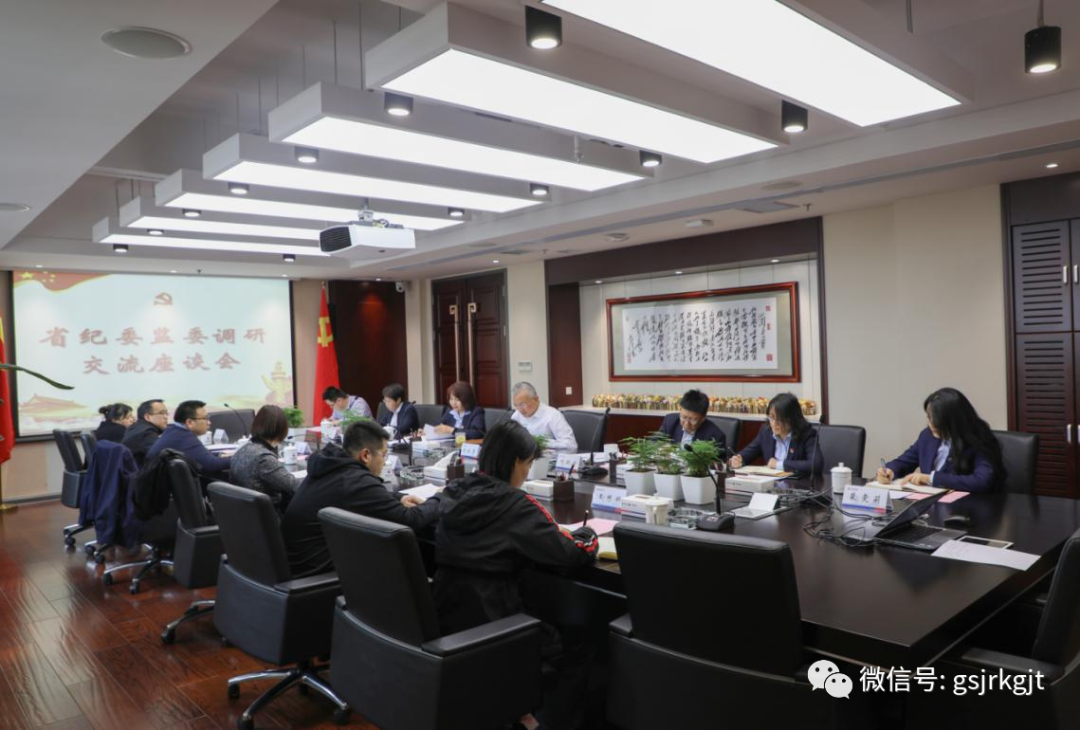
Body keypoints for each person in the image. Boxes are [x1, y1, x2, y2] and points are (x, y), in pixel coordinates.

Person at [433, 420, 598, 730]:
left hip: (448, 616)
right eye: (528, 464)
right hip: (498, 622)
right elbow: (570, 554)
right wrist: (588, 536)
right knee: (582, 642)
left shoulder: (454, 490)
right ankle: (541, 721)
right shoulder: (515, 504)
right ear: (515, 462)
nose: (527, 473)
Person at [281, 419, 441, 576]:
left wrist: (398, 497)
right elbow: (411, 519)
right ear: (365, 455)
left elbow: (359, 494)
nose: (384, 462)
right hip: (319, 576)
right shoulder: (355, 480)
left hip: (301, 563)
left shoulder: (332, 466)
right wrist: (441, 497)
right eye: (383, 455)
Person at [877, 387, 1005, 493]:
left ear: (952, 421)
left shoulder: (979, 438)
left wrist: (931, 478)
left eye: (936, 419)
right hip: (930, 505)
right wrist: (889, 471)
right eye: (929, 417)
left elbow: (982, 481)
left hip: (969, 508)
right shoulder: (927, 436)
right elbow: (904, 462)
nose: (930, 423)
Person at [730, 392, 823, 477]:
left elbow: (816, 464)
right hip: (770, 485)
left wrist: (779, 464)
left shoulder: (806, 434)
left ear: (792, 418)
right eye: (772, 417)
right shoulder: (766, 432)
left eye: (780, 419)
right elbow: (747, 453)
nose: (774, 423)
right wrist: (737, 460)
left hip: (797, 486)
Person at [229, 405, 300, 513]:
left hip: (245, 514)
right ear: (281, 429)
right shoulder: (263, 458)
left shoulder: (242, 450)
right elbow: (294, 486)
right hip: (268, 516)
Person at [145, 400, 230, 477]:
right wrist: (237, 459)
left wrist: (220, 454)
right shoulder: (184, 437)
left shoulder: (174, 430)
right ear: (189, 422)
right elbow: (213, 465)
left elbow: (199, 455)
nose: (209, 422)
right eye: (205, 418)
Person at [510, 381, 577, 451]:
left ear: (536, 399)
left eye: (523, 404)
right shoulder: (517, 415)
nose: (520, 409)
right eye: (516, 405)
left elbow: (571, 445)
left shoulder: (553, 415)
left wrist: (543, 443)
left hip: (548, 456)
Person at [658, 389, 727, 452]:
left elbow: (719, 460)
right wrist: (662, 447)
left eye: (693, 420)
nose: (686, 424)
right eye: (684, 417)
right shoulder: (670, 421)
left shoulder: (715, 436)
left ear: (703, 418)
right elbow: (655, 441)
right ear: (680, 410)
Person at [122, 399, 169, 467]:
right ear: (147, 417)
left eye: (166, 413)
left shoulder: (136, 427)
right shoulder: (147, 432)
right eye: (162, 413)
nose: (166, 417)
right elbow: (163, 456)